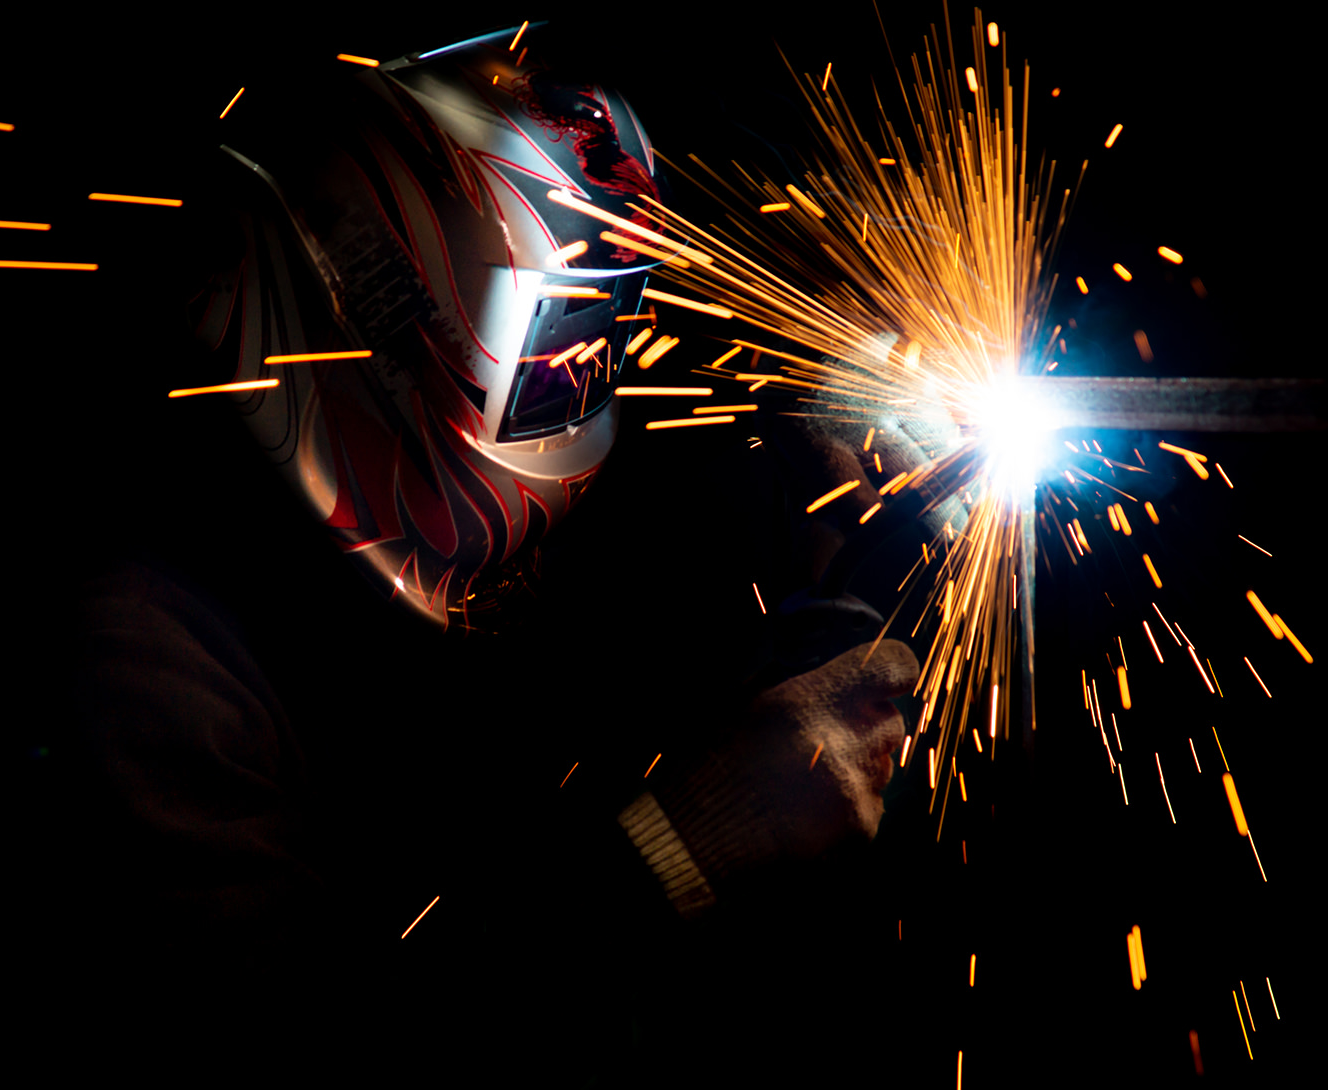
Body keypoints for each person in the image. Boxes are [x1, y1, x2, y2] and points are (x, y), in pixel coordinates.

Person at [61, 25, 931, 1073]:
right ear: (387, 322)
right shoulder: (137, 660)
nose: (581, 372)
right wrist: (679, 848)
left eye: (595, 340)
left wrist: (811, 451)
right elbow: (296, 1083)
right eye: (559, 347)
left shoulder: (403, 509)